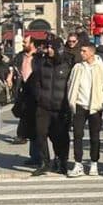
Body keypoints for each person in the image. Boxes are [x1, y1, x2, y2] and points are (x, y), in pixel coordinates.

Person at [66, 41, 103, 176]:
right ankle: (78, 163)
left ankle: (94, 163)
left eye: (84, 51)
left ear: (92, 52)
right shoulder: (78, 67)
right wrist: (72, 100)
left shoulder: (102, 68)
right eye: (81, 51)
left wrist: (102, 104)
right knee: (77, 135)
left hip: (95, 107)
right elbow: (70, 83)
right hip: (80, 105)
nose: (81, 53)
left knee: (94, 137)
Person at [30, 38, 72, 176]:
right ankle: (44, 162)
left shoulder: (68, 64)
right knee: (40, 133)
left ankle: (61, 161)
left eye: (51, 47)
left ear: (58, 48)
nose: (48, 50)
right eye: (47, 47)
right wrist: (38, 97)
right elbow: (35, 81)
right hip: (43, 106)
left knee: (59, 136)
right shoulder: (42, 63)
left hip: (61, 107)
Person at [12, 35, 40, 159]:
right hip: (23, 91)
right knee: (27, 122)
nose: (23, 44)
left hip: (36, 93)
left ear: (32, 43)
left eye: (25, 42)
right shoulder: (20, 56)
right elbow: (13, 69)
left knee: (37, 126)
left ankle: (39, 156)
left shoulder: (39, 58)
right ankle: (33, 156)